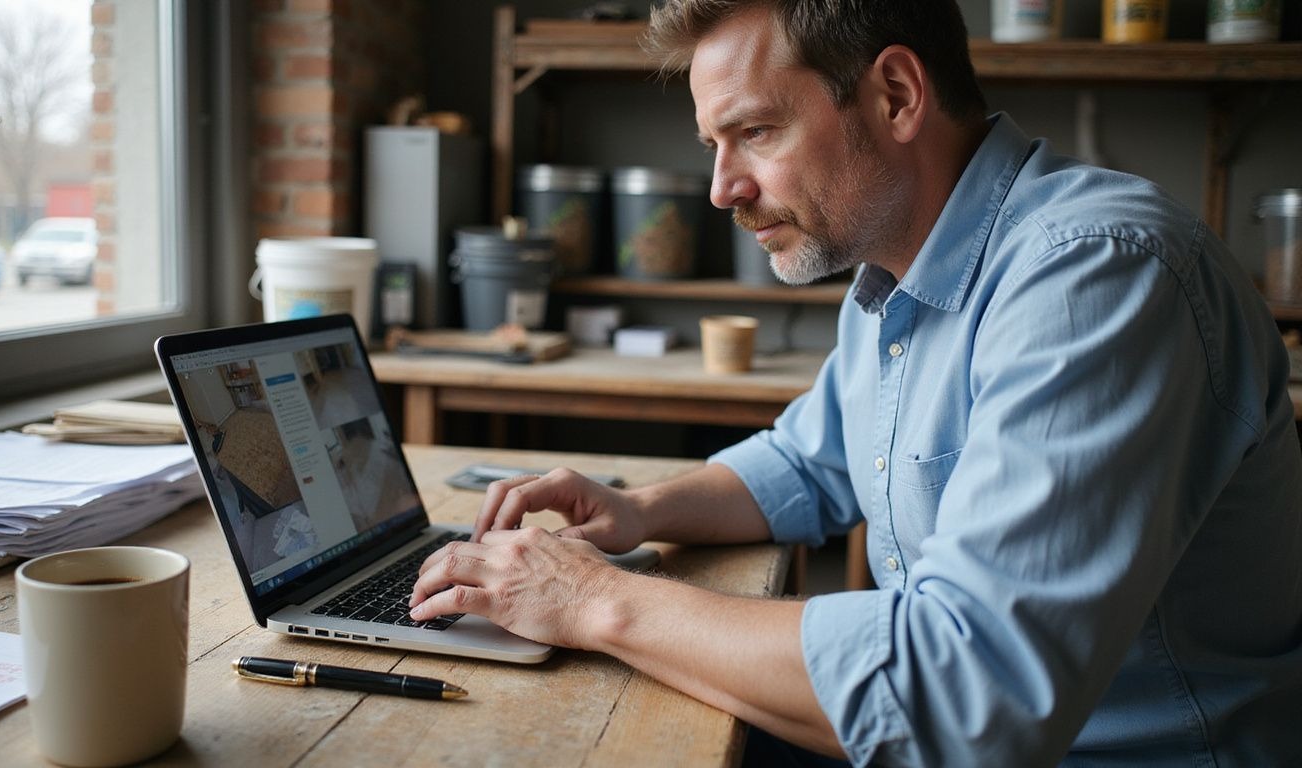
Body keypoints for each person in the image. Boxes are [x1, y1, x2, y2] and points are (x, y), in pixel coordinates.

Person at [408, 1, 1302, 764]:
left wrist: (594, 599)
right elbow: (809, 462)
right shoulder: (893, 272)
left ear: (897, 95)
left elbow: (969, 695)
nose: (722, 188)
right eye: (713, 143)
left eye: (754, 131)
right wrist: (641, 508)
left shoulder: (1096, 277)